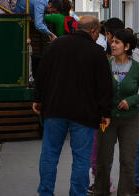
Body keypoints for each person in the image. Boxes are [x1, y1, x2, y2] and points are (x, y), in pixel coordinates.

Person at [34, 15, 113, 196]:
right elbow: (104, 86)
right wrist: (105, 112)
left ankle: (45, 192)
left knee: (49, 154)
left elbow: (41, 74)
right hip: (84, 114)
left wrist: (38, 99)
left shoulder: (56, 45)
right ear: (93, 31)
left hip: (54, 109)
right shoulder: (97, 52)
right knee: (81, 159)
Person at [93, 29, 139, 196]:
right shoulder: (105, 65)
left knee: (127, 160)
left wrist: (131, 101)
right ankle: (100, 191)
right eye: (112, 42)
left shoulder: (138, 68)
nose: (112, 44)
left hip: (130, 120)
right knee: (103, 159)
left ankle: (126, 192)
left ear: (126, 46)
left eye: (117, 42)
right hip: (106, 119)